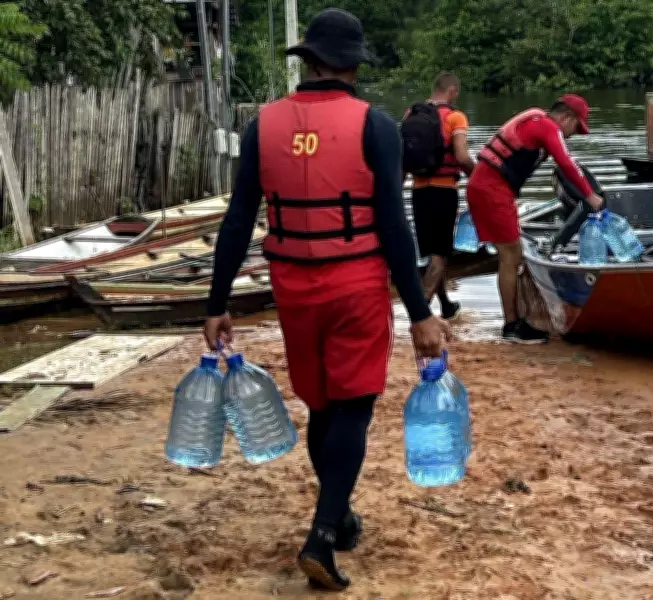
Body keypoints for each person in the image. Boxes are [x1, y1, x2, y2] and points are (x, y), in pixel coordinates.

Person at [203, 8, 451, 592]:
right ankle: (320, 534)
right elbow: (395, 226)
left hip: (293, 287)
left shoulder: (261, 125)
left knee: (320, 405)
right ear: (354, 69)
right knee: (355, 407)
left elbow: (238, 220)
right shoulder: (377, 126)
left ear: (308, 62)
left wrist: (216, 303)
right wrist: (421, 314)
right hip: (356, 285)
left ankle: (338, 518)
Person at [466, 95, 604, 343]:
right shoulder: (547, 127)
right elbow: (566, 162)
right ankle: (511, 326)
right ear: (566, 118)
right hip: (491, 190)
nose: (572, 134)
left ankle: (514, 320)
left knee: (511, 253)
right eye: (575, 127)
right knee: (511, 255)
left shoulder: (536, 120)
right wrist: (590, 196)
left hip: (490, 187)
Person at [401, 73, 475, 319]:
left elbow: (404, 156)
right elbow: (462, 156)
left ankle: (445, 304)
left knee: (432, 253)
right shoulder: (455, 117)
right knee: (439, 256)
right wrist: (478, 175)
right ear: (452, 90)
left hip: (418, 191)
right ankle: (419, 315)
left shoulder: (411, 114)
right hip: (444, 191)